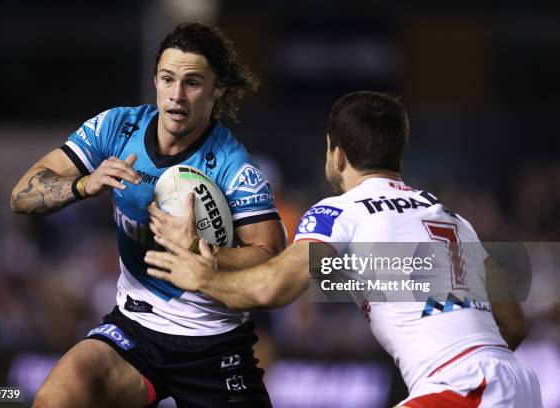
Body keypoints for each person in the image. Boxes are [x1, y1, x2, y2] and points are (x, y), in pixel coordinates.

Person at [145, 91, 543, 407]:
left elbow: (271, 289)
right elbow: (513, 323)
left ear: (337, 155)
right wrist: (215, 252)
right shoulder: (452, 218)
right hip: (515, 383)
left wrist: (201, 278)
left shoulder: (340, 211)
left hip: (465, 386)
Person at [11, 22, 286, 408]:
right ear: (154, 79)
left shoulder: (234, 168)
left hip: (211, 343)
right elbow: (21, 195)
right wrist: (83, 185)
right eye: (167, 79)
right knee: (59, 394)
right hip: (134, 330)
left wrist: (201, 250)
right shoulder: (115, 128)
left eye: (192, 83)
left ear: (217, 88)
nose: (176, 96)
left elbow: (273, 259)